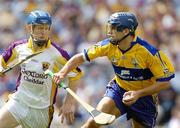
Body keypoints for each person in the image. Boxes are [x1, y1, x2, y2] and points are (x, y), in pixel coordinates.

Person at [52, 12, 175, 128]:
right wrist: (62, 72)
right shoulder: (108, 45)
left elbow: (165, 82)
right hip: (119, 90)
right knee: (94, 121)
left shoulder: (149, 53)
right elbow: (79, 57)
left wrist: (138, 94)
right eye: (108, 27)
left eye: (113, 28)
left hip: (144, 98)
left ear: (126, 31)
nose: (109, 32)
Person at [0, 10, 83, 128]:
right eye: (39, 28)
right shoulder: (18, 48)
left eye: (46, 28)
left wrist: (68, 103)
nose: (43, 32)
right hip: (18, 103)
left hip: (41, 111)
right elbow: (2, 61)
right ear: (30, 28)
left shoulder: (58, 54)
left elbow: (76, 76)